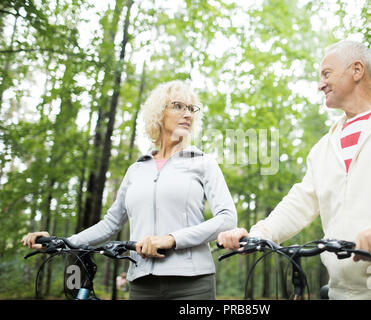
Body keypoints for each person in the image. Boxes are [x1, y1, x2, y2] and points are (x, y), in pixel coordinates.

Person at [218, 40, 371, 299]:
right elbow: (300, 203)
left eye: (326, 74)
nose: (320, 84)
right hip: (341, 293)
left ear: (357, 70)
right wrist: (257, 235)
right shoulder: (322, 148)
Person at [22, 80, 237, 300]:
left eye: (192, 109)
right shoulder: (136, 169)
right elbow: (110, 224)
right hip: (142, 284)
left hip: (193, 284)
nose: (188, 114)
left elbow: (227, 218)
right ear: (159, 113)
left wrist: (172, 239)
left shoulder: (203, 162)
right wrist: (62, 243)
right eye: (178, 106)